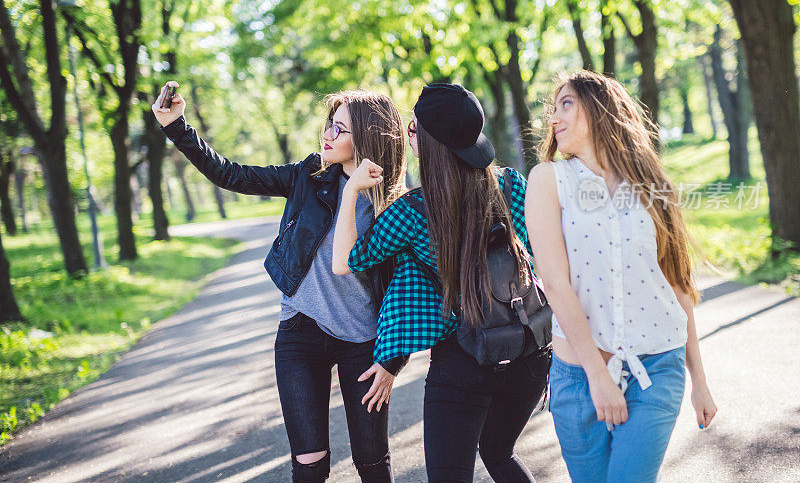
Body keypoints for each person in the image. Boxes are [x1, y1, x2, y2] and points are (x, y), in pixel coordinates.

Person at [152, 83, 407, 483]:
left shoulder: (392, 204)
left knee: (372, 464)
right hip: (299, 332)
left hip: (364, 342)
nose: (327, 134)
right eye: (329, 124)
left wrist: (393, 361)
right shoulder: (308, 176)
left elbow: (405, 293)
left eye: (340, 129)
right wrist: (177, 127)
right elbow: (232, 174)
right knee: (309, 466)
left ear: (368, 138)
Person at [332, 83, 551, 483]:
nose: (407, 132)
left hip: (465, 357)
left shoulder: (412, 212)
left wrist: (352, 192)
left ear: (427, 141)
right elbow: (546, 256)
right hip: (529, 349)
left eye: (412, 127)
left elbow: (346, 261)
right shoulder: (513, 185)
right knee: (500, 453)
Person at [524, 70, 717, 483]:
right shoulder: (548, 181)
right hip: (578, 378)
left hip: (657, 368)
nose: (553, 118)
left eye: (566, 103)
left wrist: (699, 380)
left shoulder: (651, 185)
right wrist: (597, 376)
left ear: (600, 109)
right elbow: (555, 284)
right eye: (552, 108)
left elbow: (678, 284)